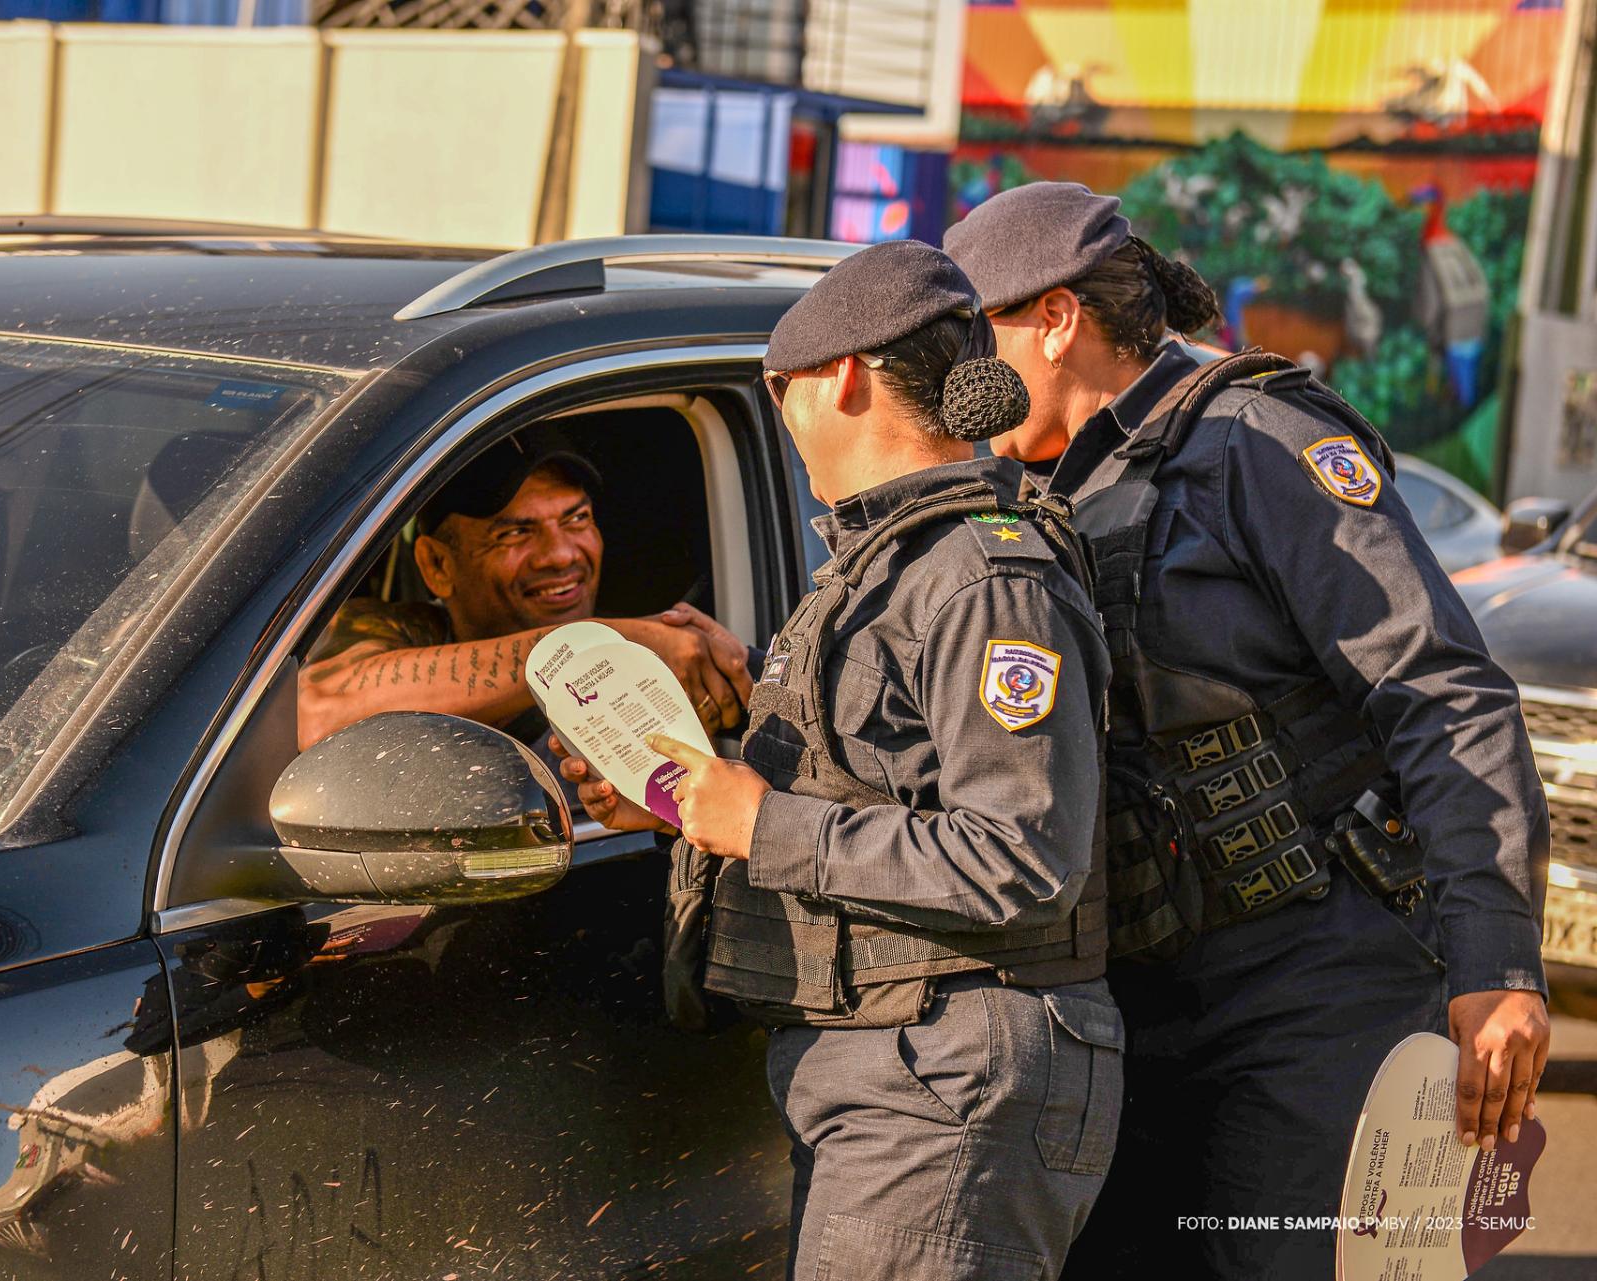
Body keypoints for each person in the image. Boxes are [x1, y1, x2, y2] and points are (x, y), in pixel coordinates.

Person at [943, 182, 1552, 1280]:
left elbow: (1442, 694)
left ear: (1055, 316)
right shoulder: (1013, 489)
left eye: (976, 331)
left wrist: (1498, 961)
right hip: (1123, 997)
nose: (961, 378)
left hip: (1313, 988)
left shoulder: (1257, 441)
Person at [563, 240, 1119, 1281]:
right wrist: (696, 804)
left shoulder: (982, 579)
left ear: (843, 378)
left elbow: (1024, 855)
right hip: (897, 1069)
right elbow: (878, 783)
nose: (781, 416)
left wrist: (758, 825)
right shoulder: (884, 567)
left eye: (778, 391)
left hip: (948, 1077)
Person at [297, 428, 753, 753]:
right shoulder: (408, 633)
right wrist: (602, 645)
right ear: (437, 564)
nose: (559, 554)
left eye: (577, 519)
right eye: (515, 533)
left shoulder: (672, 665)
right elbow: (320, 710)